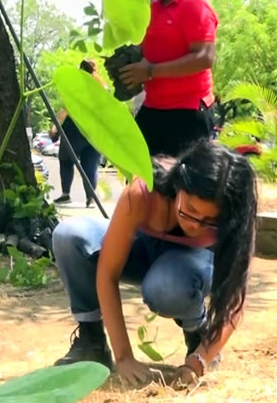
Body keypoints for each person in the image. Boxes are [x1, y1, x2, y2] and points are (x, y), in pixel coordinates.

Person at [50, 140, 258, 389]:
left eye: (209, 221)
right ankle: (92, 341)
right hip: (140, 248)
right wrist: (124, 357)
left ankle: (197, 332)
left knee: (167, 286)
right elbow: (108, 273)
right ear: (180, 183)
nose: (195, 224)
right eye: (189, 209)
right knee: (69, 235)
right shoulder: (144, 189)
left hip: (187, 264)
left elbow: (235, 301)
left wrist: (198, 362)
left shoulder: (236, 216)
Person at [120, 0, 218, 158]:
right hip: (153, 107)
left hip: (188, 112)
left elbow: (204, 58)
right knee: (140, 178)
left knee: (181, 186)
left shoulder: (195, 7)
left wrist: (151, 71)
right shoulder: (151, 9)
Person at [52, 59, 105, 207]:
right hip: (94, 133)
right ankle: (91, 198)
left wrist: (55, 126)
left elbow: (67, 108)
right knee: (90, 166)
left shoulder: (78, 86)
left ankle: (66, 194)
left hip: (74, 131)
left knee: (66, 160)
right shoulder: (102, 87)